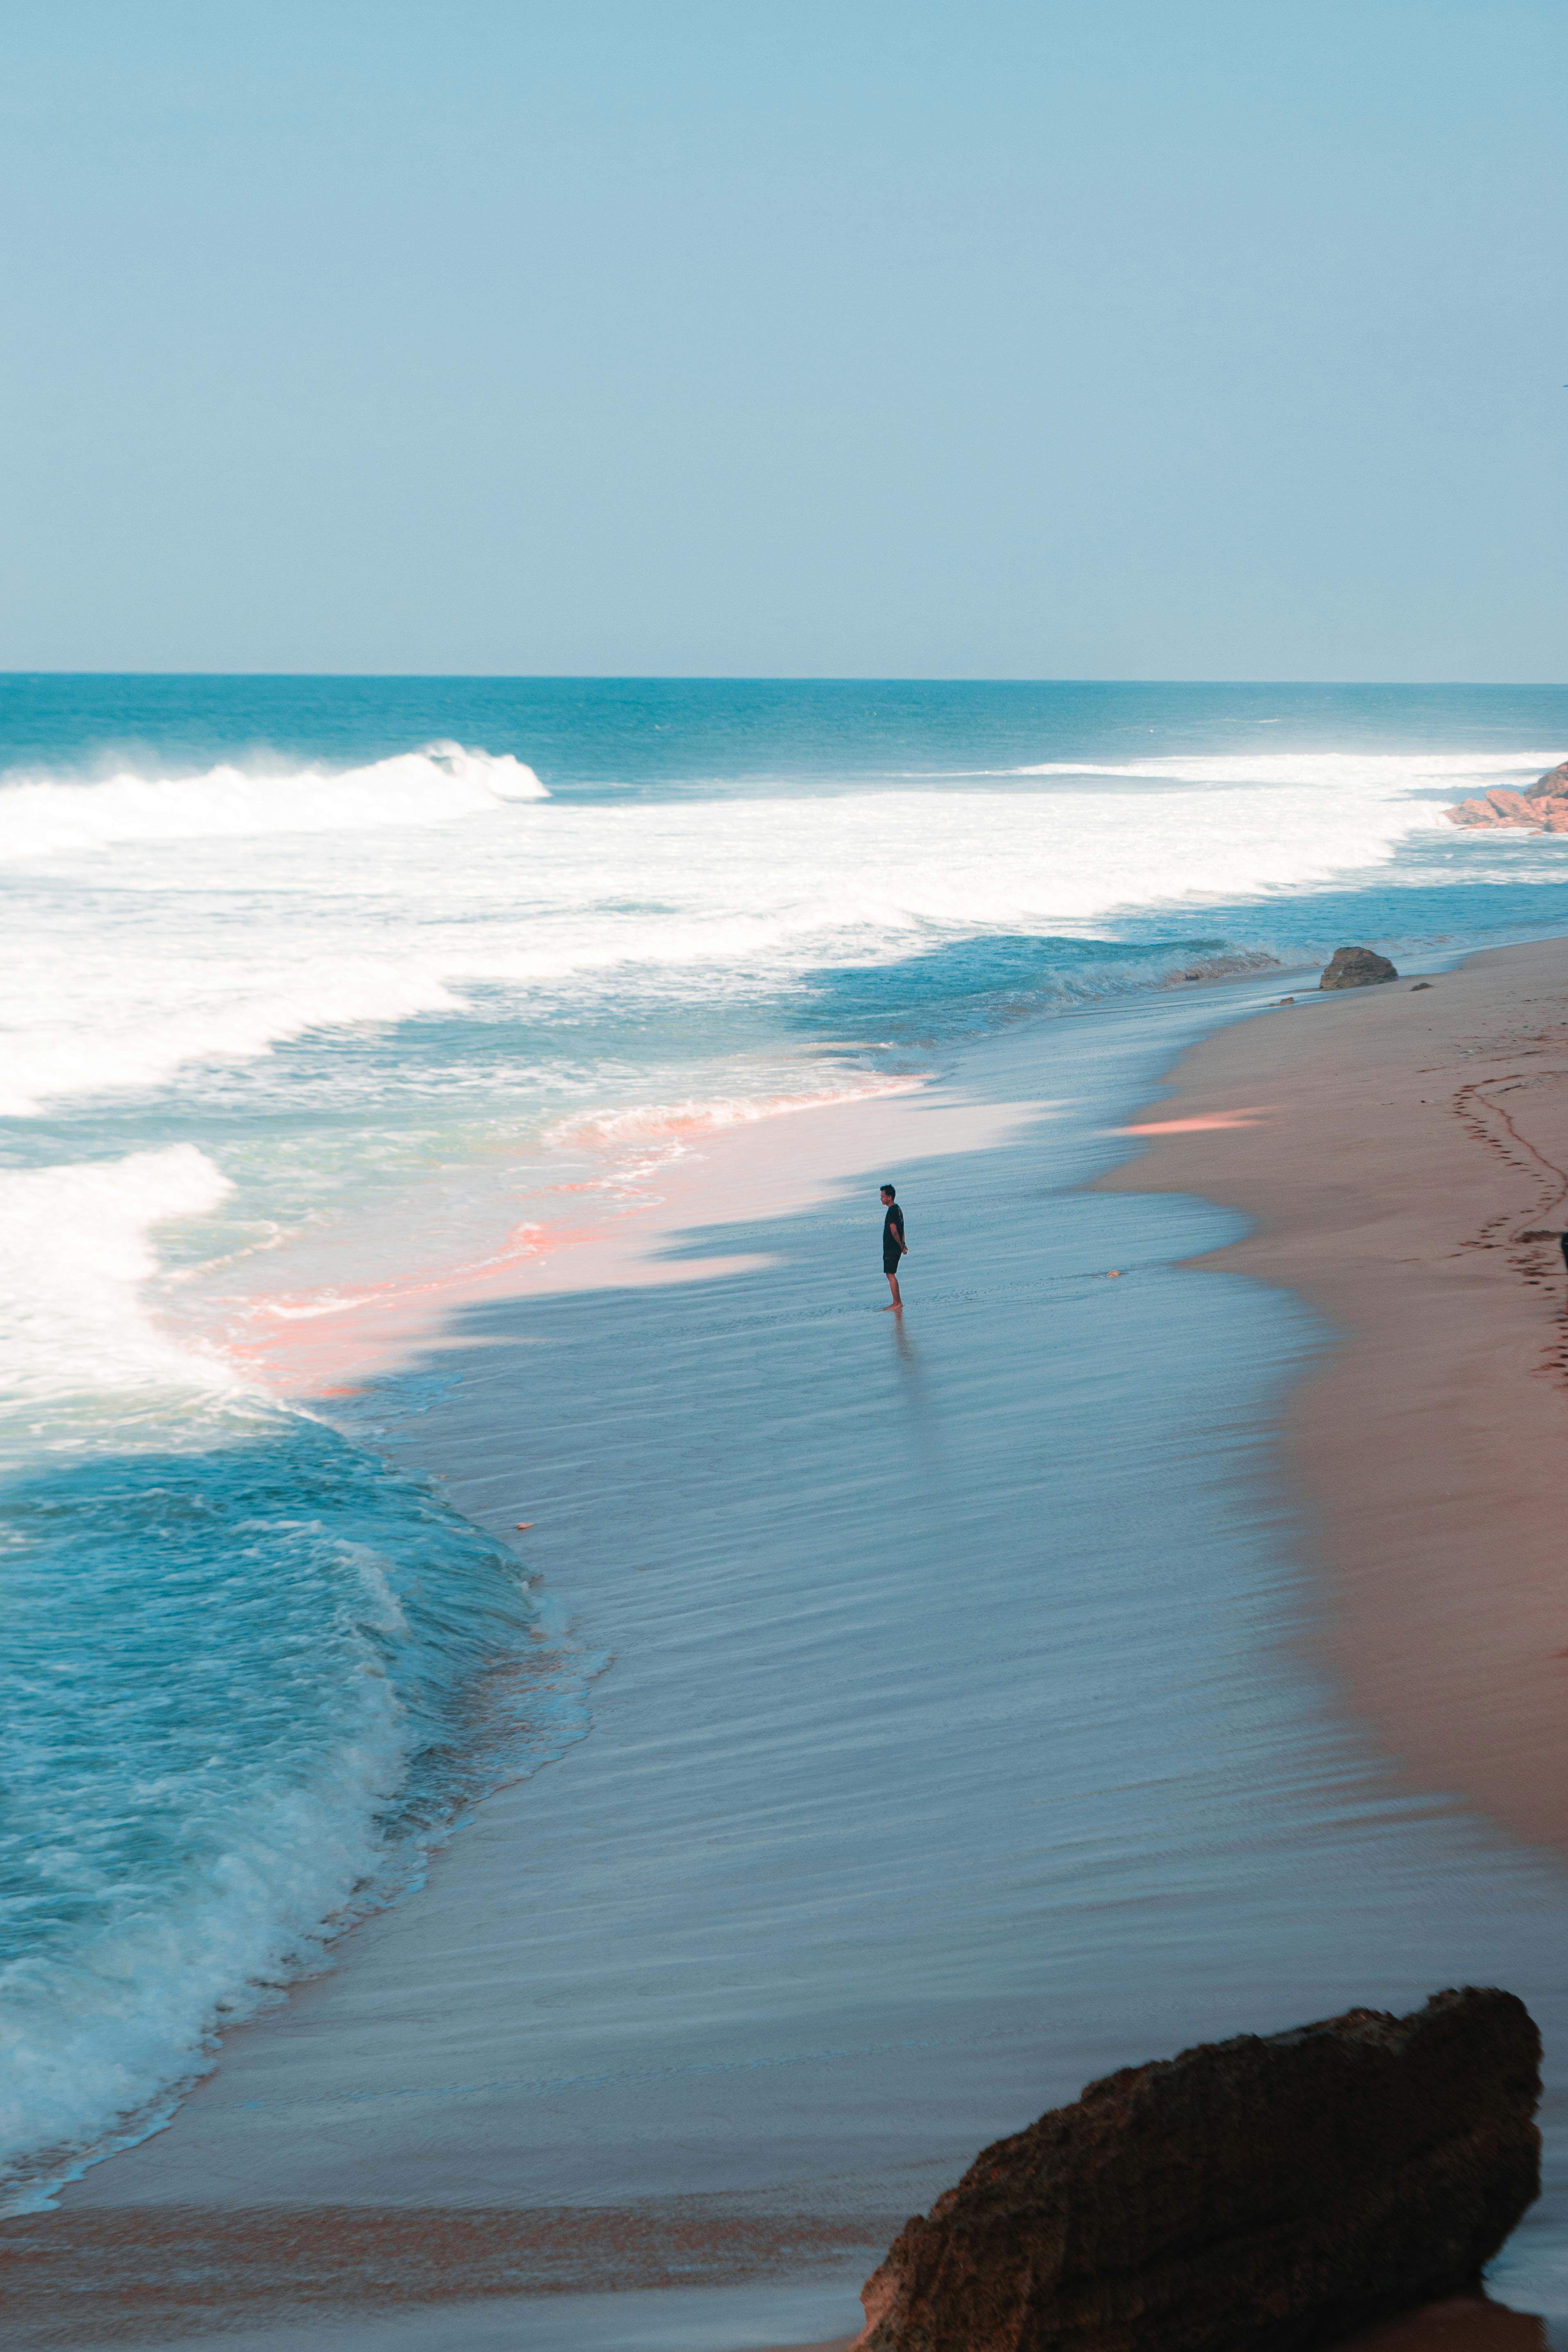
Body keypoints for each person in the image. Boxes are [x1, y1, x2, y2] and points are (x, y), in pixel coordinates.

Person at [880, 1183, 908, 1310]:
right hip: (896, 1246)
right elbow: (903, 1229)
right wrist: (903, 1244)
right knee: (890, 1274)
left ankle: (897, 1303)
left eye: (883, 1196)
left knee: (891, 1274)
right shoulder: (898, 1209)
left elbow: (895, 1231)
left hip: (892, 1247)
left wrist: (901, 1245)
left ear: (889, 1197)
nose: (881, 1199)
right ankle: (897, 1302)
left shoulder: (892, 1211)